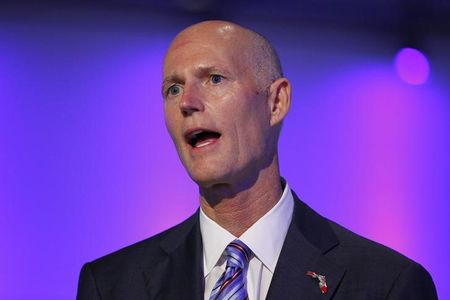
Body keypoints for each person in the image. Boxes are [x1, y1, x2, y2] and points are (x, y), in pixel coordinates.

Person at [76, 20, 437, 299]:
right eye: (172, 89)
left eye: (214, 79)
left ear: (275, 102)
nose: (187, 102)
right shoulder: (112, 285)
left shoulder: (387, 284)